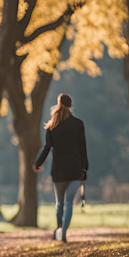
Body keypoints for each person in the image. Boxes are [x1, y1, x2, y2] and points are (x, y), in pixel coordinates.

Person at [33, 93, 88, 243]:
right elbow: (83, 147)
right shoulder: (78, 124)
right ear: (70, 105)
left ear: (59, 103)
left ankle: (59, 228)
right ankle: (63, 232)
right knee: (69, 202)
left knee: (60, 203)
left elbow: (47, 148)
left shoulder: (52, 125)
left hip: (59, 170)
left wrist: (38, 163)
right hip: (76, 169)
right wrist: (85, 167)